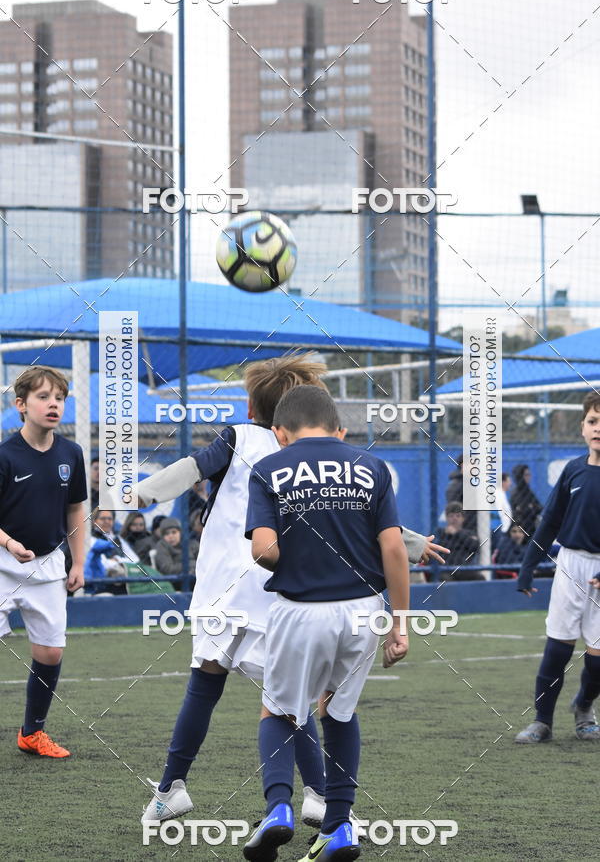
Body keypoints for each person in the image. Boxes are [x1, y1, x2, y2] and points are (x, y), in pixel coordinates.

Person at [138, 353, 440, 827]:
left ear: (258, 410)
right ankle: (319, 795)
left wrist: (139, 493)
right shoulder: (325, 456)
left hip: (226, 586)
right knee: (291, 702)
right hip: (281, 591)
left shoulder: (238, 438)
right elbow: (359, 517)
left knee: (205, 685)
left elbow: (191, 468)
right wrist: (417, 543)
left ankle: (171, 788)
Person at [242, 384, 409, 861]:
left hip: (301, 611)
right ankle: (338, 827)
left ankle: (278, 807)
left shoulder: (270, 467)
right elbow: (393, 548)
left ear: (280, 432)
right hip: (363, 611)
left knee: (278, 711)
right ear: (340, 429)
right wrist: (401, 625)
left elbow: (263, 549)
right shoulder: (372, 467)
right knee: (338, 712)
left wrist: (296, 559)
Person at [0, 365, 86, 758]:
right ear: (20, 405)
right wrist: (9, 543)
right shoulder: (4, 455)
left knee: (50, 652)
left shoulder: (72, 453)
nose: (53, 404)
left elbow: (76, 510)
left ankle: (31, 733)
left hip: (49, 566)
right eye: (43, 397)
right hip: (2, 564)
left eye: (60, 398)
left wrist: (78, 563)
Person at [515, 391, 600, 743]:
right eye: (593, 421)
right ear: (582, 427)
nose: (599, 428)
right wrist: (527, 566)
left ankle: (583, 705)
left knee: (597, 661)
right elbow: (549, 521)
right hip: (570, 565)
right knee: (558, 647)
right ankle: (542, 721)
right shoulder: (573, 470)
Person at [84, 509, 139, 595]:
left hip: (122, 578)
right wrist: (123, 561)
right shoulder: (90, 538)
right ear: (94, 521)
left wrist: (117, 560)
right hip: (102, 581)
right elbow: (103, 564)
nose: (107, 521)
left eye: (110, 519)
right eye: (103, 519)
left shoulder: (117, 538)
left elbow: (135, 560)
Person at [433, 502, 483, 581]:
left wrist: (457, 533)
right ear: (446, 518)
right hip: (446, 570)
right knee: (444, 579)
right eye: (451, 516)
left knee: (480, 578)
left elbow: (475, 546)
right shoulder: (439, 533)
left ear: (463, 518)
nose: (454, 518)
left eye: (458, 516)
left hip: (464, 570)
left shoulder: (469, 533)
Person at [510, 464, 542, 542]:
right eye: (526, 475)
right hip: (521, 532)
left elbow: (540, 508)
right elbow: (522, 512)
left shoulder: (528, 491)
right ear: (520, 476)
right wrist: (531, 508)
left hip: (531, 529)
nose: (529, 477)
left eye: (529, 474)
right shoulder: (516, 493)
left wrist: (532, 508)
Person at [444, 455, 476, 534]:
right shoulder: (457, 485)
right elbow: (453, 509)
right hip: (464, 530)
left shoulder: (470, 483)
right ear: (463, 466)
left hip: (472, 528)